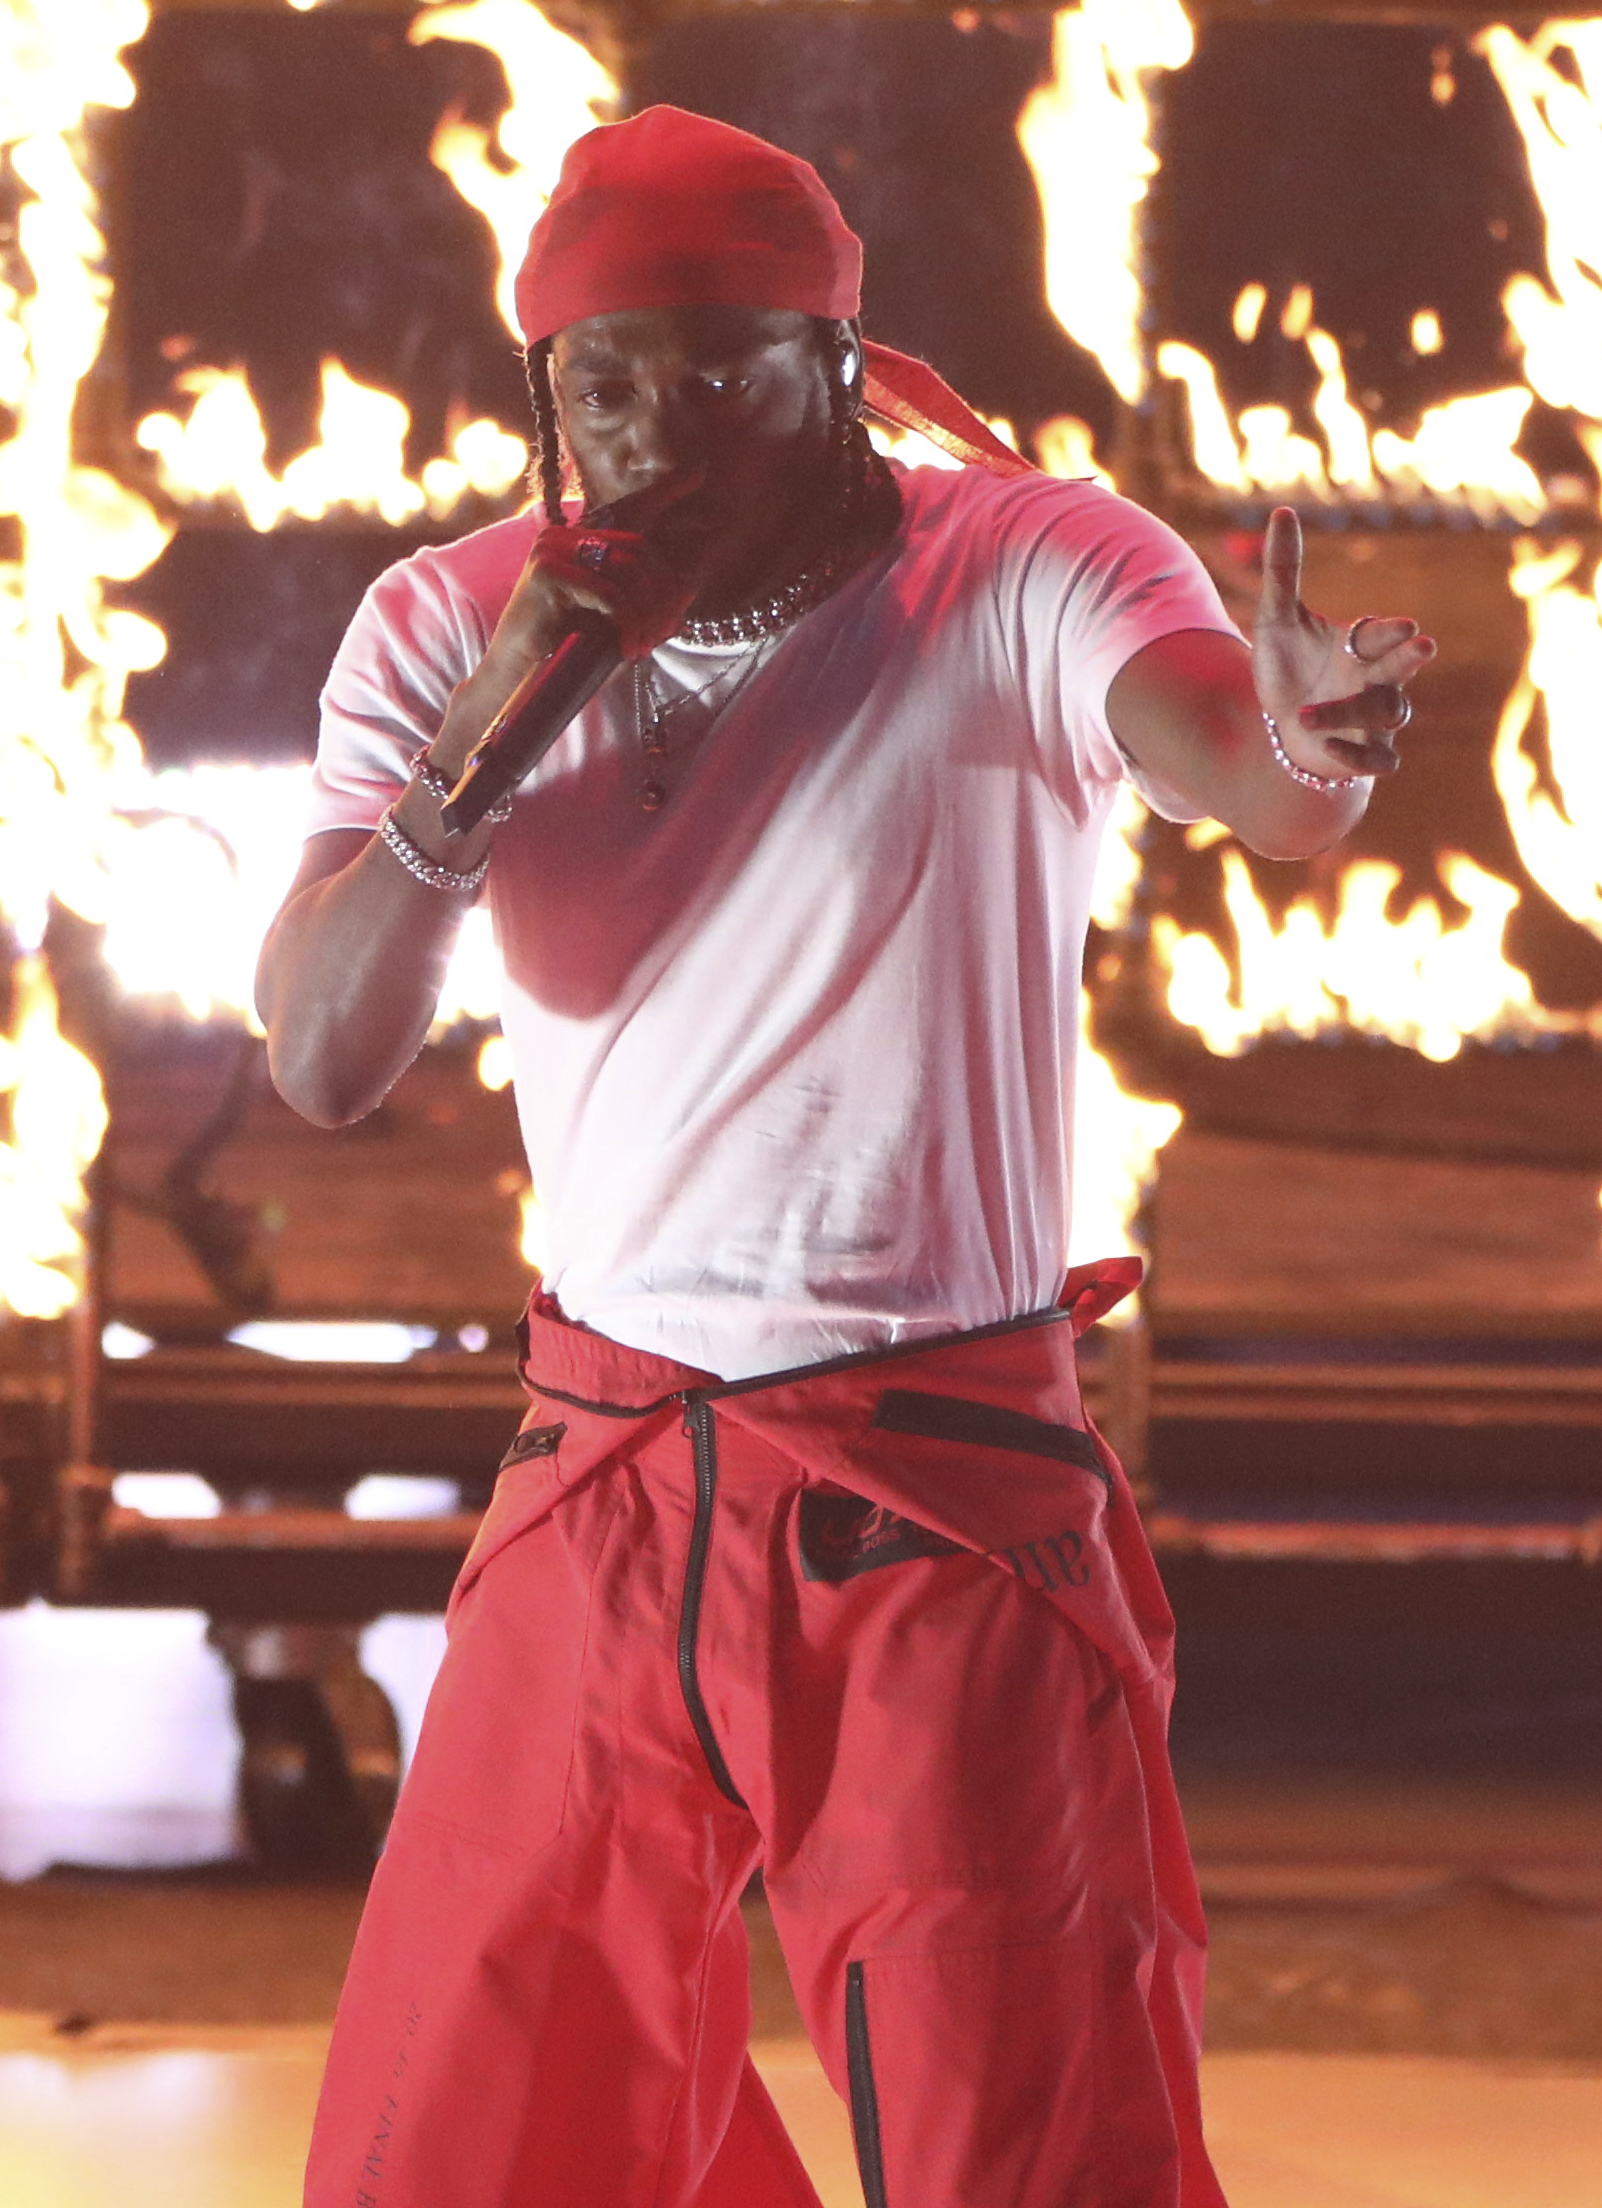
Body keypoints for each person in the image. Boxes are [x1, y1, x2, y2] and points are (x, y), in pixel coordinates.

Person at [258, 105, 1433, 2208]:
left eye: (720, 373)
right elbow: (326, 1057)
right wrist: (473, 768)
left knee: (1029, 2135)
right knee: (469, 2133)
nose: (654, 429)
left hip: (935, 1491)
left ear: (836, 363)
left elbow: (1227, 755)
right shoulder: (452, 622)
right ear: (545, 383)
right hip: (602, 1474)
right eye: (604, 379)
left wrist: (1307, 748)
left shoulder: (1019, 561)